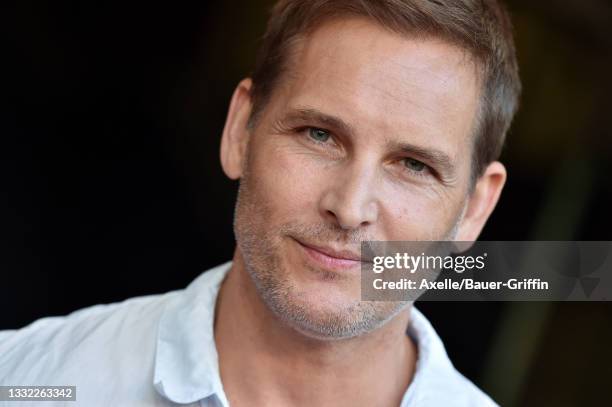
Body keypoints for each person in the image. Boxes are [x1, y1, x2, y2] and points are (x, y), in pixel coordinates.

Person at [0, 0, 520, 405]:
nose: (350, 205)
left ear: (475, 208)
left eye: (413, 166)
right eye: (319, 134)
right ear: (239, 132)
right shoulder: (25, 379)